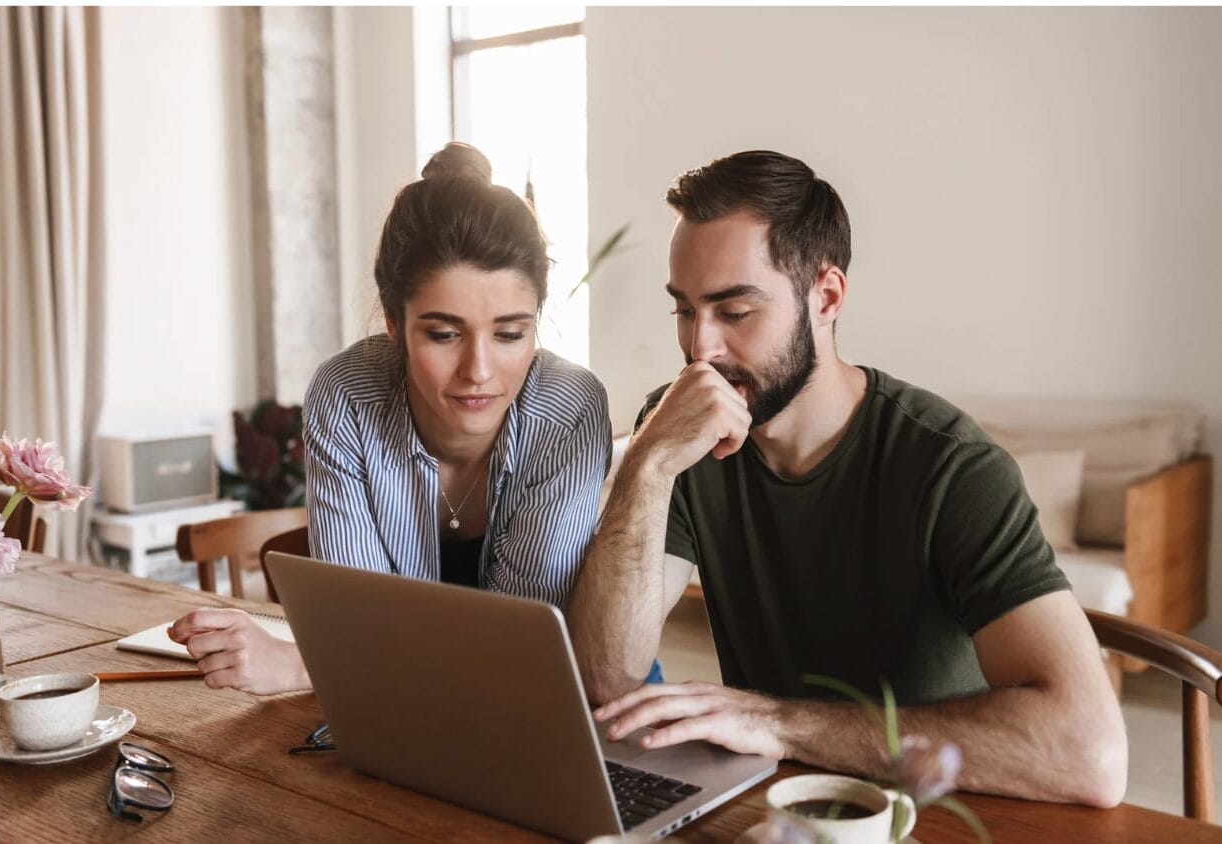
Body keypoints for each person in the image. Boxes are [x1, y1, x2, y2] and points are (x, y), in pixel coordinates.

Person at [566, 150, 1128, 807]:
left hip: (940, 812)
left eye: (735, 312)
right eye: (684, 311)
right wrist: (649, 462)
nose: (701, 349)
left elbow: (1091, 753)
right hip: (783, 810)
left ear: (826, 296)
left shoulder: (953, 467)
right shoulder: (682, 434)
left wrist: (777, 722)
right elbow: (605, 677)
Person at [170, 142, 611, 694]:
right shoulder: (348, 395)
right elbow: (359, 620)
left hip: (560, 701)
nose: (478, 370)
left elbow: (516, 650)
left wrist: (308, 666)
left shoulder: (569, 409)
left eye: (509, 334)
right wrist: (347, 653)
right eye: (444, 334)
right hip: (401, 707)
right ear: (394, 323)